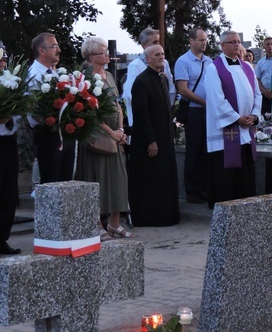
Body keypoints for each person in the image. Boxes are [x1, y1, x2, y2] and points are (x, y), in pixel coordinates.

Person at [75, 37, 132, 239]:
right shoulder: (85, 77)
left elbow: (117, 104)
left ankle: (114, 224)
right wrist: (110, 132)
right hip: (97, 137)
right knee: (97, 178)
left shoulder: (107, 74)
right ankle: (97, 224)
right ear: (91, 56)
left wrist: (122, 129)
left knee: (118, 179)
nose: (107, 55)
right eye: (103, 52)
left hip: (115, 135)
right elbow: (89, 112)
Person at [205, 31, 262, 205]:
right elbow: (216, 99)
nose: (237, 45)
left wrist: (254, 116)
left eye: (238, 42)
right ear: (222, 46)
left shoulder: (248, 67)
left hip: (246, 131)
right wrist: (237, 119)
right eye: (232, 42)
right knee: (228, 180)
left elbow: (257, 94)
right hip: (226, 135)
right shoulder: (214, 68)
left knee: (245, 177)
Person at [129, 45, 180, 226]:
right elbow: (141, 114)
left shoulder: (163, 79)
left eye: (163, 54)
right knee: (152, 179)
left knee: (165, 178)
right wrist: (151, 140)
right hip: (150, 140)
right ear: (148, 59)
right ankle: (150, 218)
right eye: (156, 54)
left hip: (165, 136)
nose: (161, 57)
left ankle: (168, 216)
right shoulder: (141, 82)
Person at [28, 32, 75, 183]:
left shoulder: (54, 73)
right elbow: (35, 109)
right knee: (52, 184)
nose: (59, 50)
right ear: (42, 51)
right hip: (48, 134)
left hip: (63, 133)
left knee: (65, 182)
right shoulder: (34, 75)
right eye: (54, 46)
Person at [174, 27, 212, 204]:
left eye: (205, 40)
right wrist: (205, 102)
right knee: (194, 151)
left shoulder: (209, 61)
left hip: (208, 112)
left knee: (206, 151)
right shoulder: (183, 61)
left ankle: (203, 188)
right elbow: (183, 89)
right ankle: (191, 190)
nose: (204, 43)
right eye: (201, 40)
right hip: (193, 111)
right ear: (191, 41)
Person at [122, 27, 175, 128]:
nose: (158, 45)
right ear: (144, 45)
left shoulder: (164, 63)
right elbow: (131, 94)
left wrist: (166, 107)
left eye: (158, 42)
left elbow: (171, 89)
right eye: (154, 42)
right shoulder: (135, 66)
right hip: (144, 119)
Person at [0, 44, 21, 255]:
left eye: (4, 58)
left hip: (9, 141)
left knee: (8, 193)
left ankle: (2, 238)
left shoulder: (10, 80)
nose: (3, 63)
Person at [255, 36, 272, 115]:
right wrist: (264, 91)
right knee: (266, 120)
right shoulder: (260, 63)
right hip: (265, 95)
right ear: (264, 47)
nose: (270, 46)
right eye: (267, 44)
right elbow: (257, 79)